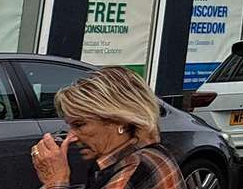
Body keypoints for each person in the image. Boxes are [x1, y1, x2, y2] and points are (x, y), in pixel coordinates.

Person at [29, 66, 182, 189]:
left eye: (80, 124)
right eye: (70, 126)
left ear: (120, 121)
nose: (72, 136)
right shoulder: (136, 157)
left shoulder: (137, 168)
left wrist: (56, 180)